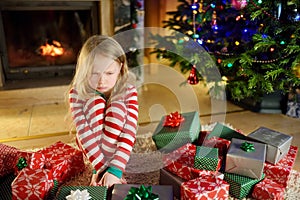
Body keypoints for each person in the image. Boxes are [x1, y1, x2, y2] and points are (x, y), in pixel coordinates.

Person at [67, 35, 139, 188]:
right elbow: (83, 132)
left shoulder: (129, 91)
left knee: (117, 108)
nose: (101, 81)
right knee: (95, 102)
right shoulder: (76, 93)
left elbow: (129, 131)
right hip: (91, 145)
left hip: (118, 145)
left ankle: (113, 166)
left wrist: (116, 170)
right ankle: (103, 169)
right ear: (84, 70)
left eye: (109, 73)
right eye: (94, 73)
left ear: (120, 68)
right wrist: (101, 169)